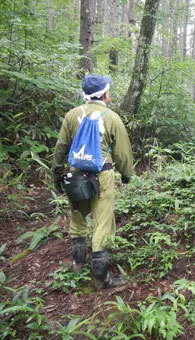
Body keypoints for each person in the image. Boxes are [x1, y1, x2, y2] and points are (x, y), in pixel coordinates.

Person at [52, 74, 135, 290]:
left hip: (75, 176)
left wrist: (56, 174)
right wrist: (127, 174)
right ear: (105, 95)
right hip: (102, 176)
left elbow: (61, 147)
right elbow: (123, 153)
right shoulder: (111, 118)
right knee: (102, 222)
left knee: (78, 217)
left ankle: (77, 263)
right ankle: (101, 277)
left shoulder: (72, 115)